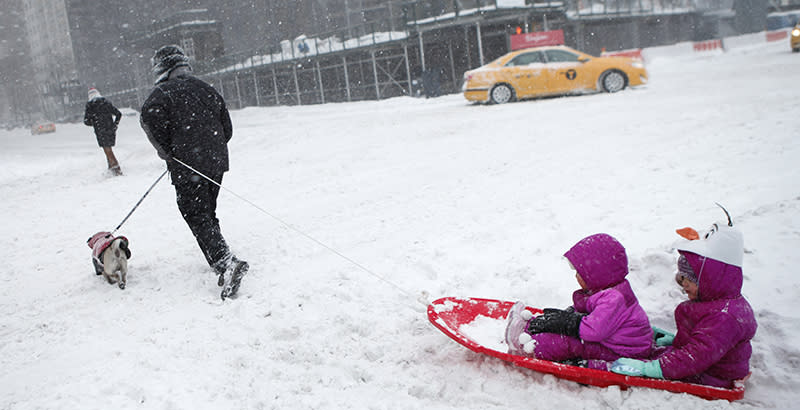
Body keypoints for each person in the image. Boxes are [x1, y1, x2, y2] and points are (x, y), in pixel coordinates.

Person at [139, 45, 248, 300]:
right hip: (216, 161)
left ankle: (226, 262)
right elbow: (227, 127)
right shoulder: (206, 88)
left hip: (188, 164)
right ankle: (220, 254)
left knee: (195, 213)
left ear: (160, 70)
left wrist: (169, 152)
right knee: (206, 211)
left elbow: (149, 123)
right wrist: (212, 149)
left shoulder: (160, 94)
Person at [611, 214, 757, 388]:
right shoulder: (719, 303)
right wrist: (676, 341)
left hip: (710, 376)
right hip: (706, 366)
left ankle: (596, 365)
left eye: (689, 280)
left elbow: (695, 357)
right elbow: (704, 344)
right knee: (643, 348)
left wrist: (648, 369)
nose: (684, 285)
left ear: (710, 280)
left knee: (641, 357)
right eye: (682, 279)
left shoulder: (724, 316)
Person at [505, 233, 653, 369]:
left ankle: (528, 347)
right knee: (562, 327)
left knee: (568, 342)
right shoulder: (609, 289)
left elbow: (593, 332)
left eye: (580, 273)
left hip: (622, 351)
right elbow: (593, 314)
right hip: (613, 341)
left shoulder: (614, 299)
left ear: (596, 274)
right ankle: (527, 327)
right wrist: (568, 316)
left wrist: (568, 322)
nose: (576, 276)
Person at [83, 87, 123, 176]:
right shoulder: (106, 102)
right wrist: (114, 125)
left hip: (100, 131)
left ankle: (117, 170)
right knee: (108, 149)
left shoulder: (90, 105)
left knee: (107, 150)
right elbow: (118, 114)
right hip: (110, 129)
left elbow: (86, 121)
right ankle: (111, 168)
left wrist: (94, 123)